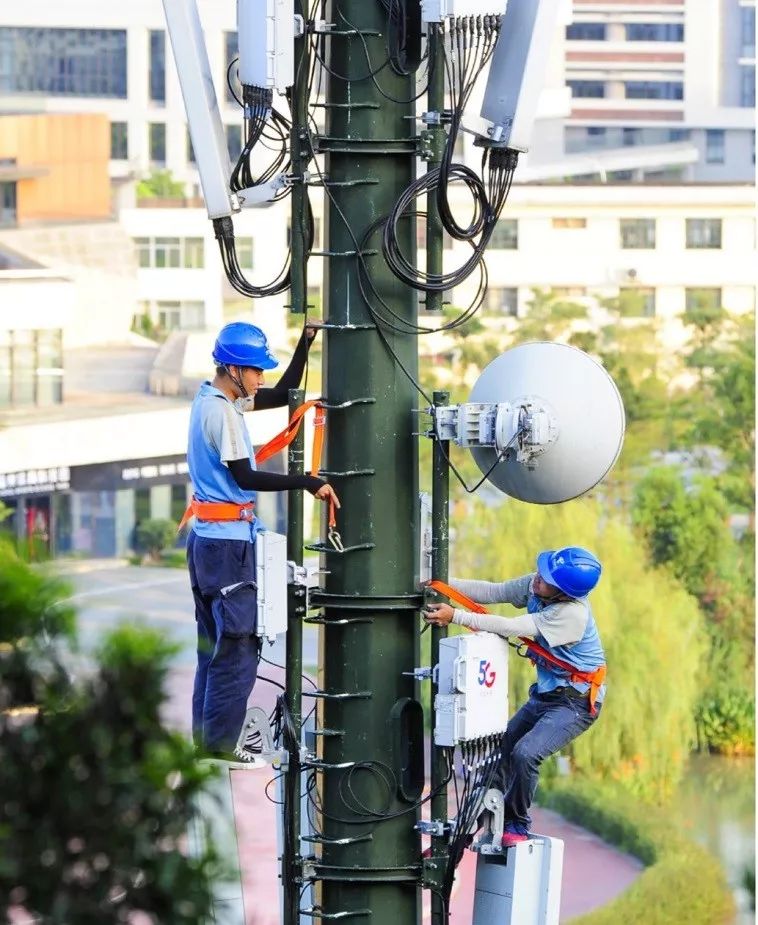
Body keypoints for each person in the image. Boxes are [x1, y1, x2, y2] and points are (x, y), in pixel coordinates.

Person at [185, 321, 340, 767]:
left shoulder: (211, 398)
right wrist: (308, 482)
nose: (260, 379)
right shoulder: (223, 414)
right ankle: (219, 746)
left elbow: (285, 390)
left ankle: (207, 742)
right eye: (255, 371)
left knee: (213, 648)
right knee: (238, 647)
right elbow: (246, 477)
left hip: (208, 543)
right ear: (233, 369)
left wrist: (306, 343)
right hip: (228, 547)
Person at [423, 546, 606, 846]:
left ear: (563, 594)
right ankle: (477, 815)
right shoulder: (538, 586)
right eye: (541, 571)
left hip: (575, 703)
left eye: (546, 579)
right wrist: (441, 583)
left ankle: (517, 824)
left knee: (525, 754)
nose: (537, 579)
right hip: (547, 695)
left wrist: (454, 616)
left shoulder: (571, 614)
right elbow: (493, 591)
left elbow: (509, 627)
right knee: (501, 751)